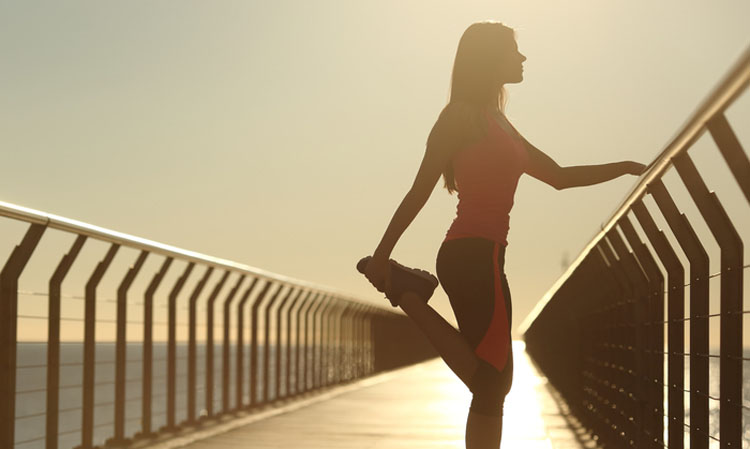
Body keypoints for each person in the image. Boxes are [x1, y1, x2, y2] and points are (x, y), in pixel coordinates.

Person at [362, 21, 646, 449]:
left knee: (494, 388)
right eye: (514, 50)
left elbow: (559, 177)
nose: (523, 58)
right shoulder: (459, 117)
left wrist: (623, 167)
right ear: (489, 59)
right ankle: (408, 294)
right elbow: (419, 190)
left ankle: (410, 291)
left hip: (487, 256)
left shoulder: (500, 123)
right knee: (491, 386)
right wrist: (382, 256)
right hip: (471, 256)